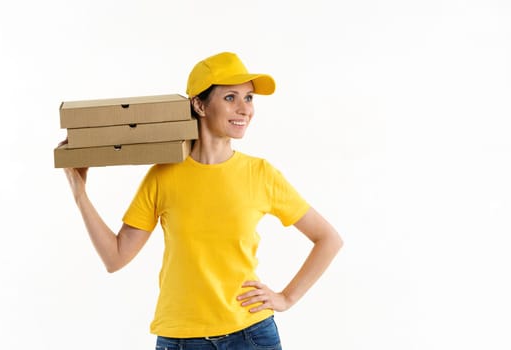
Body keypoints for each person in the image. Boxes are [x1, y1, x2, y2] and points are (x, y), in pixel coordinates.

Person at [62, 51, 343, 349]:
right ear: (199, 104)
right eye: (230, 97)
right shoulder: (163, 175)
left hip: (251, 335)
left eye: (249, 98)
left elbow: (328, 239)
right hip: (180, 340)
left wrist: (286, 298)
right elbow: (115, 257)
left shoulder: (261, 174)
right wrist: (79, 191)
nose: (244, 109)